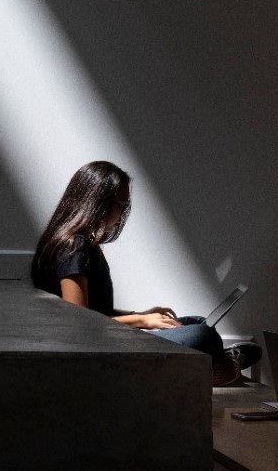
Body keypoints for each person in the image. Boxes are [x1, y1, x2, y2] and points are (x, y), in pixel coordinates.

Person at [30, 160, 261, 385]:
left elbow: (96, 310)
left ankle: (217, 362)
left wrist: (142, 314)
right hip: (101, 345)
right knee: (203, 335)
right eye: (120, 205)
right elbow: (79, 323)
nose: (122, 214)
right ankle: (222, 362)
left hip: (105, 335)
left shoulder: (83, 244)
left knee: (197, 322)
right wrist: (142, 320)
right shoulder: (74, 248)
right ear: (98, 203)